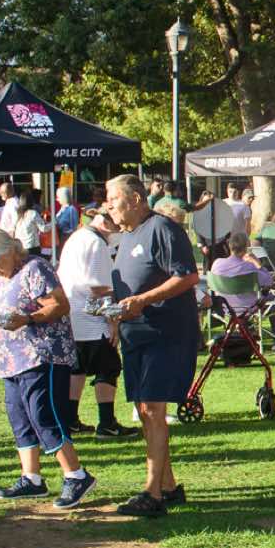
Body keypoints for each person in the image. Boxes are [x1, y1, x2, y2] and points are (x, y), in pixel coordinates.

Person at [0, 225, 98, 510]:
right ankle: (32, 478)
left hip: (40, 356)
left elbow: (59, 305)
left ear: (9, 249)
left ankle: (76, 475)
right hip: (11, 362)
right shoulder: (5, 277)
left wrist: (27, 319)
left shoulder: (34, 268)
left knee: (43, 414)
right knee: (20, 418)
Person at [103, 172, 203, 516]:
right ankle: (169, 487)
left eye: (113, 199)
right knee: (146, 411)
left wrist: (143, 299)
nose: (108, 206)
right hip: (136, 334)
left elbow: (187, 275)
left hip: (164, 333)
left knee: (153, 409)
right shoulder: (127, 236)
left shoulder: (161, 228)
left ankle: (152, 494)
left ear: (135, 199)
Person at [56, 208, 133, 439]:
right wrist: (112, 320)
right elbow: (99, 288)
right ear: (106, 224)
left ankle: (70, 420)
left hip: (72, 314)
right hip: (92, 317)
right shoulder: (97, 244)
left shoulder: (76, 238)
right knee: (108, 368)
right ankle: (107, 422)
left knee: (77, 368)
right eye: (117, 227)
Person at [208, 231, 274, 313]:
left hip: (223, 308)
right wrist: (258, 264)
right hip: (248, 309)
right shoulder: (250, 266)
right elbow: (269, 281)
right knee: (274, 300)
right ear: (247, 247)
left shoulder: (217, 264)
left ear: (230, 246)